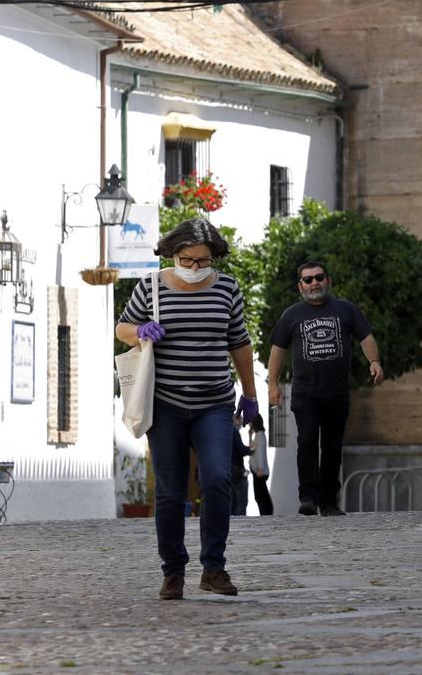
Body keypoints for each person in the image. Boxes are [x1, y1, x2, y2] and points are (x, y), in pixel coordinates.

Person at [116, 218, 258, 601]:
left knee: (217, 479)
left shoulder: (227, 288)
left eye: (203, 260)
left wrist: (249, 393)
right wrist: (140, 331)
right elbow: (122, 327)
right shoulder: (151, 286)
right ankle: (173, 572)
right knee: (169, 491)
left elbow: (239, 342)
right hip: (165, 404)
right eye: (188, 259)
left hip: (213, 402)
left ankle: (213, 567)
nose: (195, 267)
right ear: (173, 254)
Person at [266, 261, 383, 516]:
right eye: (308, 280)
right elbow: (277, 350)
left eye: (319, 277)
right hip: (305, 392)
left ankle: (329, 501)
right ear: (301, 286)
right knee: (307, 440)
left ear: (328, 280)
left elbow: (366, 336)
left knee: (332, 446)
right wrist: (273, 385)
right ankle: (308, 497)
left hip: (337, 392)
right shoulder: (292, 314)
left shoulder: (346, 309)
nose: (314, 283)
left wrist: (374, 362)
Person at [248, 414, 274, 516]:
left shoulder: (260, 435)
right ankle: (266, 513)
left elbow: (260, 453)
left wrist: (259, 468)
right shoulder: (258, 435)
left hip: (259, 471)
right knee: (260, 494)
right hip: (257, 470)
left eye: (250, 421)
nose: (249, 423)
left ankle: (267, 513)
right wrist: (250, 436)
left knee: (260, 495)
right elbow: (251, 449)